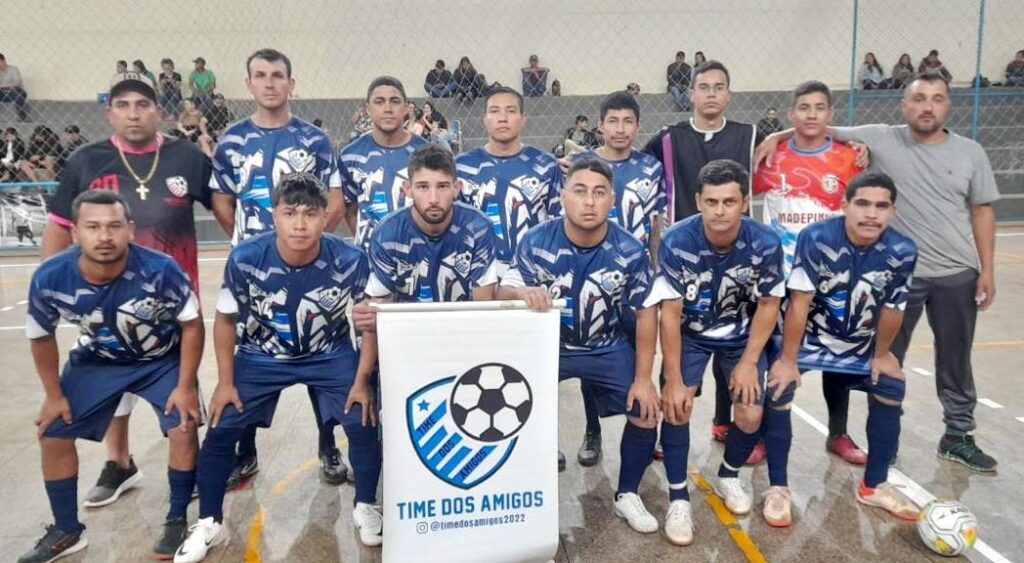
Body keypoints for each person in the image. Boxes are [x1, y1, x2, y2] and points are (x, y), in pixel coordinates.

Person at [757, 71, 1000, 472]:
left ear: (948, 105)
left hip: (951, 270)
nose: (927, 106)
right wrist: (774, 137)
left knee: (952, 359)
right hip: (874, 275)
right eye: (919, 99)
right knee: (880, 359)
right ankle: (886, 440)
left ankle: (957, 435)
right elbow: (814, 124)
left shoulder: (968, 152)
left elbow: (981, 210)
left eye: (937, 99)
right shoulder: (881, 136)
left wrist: (986, 268)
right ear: (904, 105)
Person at [175, 174, 383, 562]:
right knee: (222, 425)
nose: (300, 224)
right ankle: (209, 522)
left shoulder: (352, 259)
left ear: (327, 217)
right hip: (260, 354)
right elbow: (223, 320)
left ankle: (367, 505)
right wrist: (224, 382)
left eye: (310, 214)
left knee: (363, 418)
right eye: (290, 213)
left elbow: (367, 325)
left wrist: (360, 381)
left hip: (330, 352)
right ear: (274, 216)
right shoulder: (246, 257)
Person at [39, 75, 213, 521]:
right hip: (102, 301)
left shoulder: (187, 157)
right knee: (111, 387)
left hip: (171, 301)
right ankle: (119, 462)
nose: (134, 113)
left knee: (180, 396)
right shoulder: (87, 159)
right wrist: (50, 282)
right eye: (123, 105)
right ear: (109, 112)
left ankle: (186, 481)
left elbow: (224, 207)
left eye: (142, 104)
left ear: (159, 111)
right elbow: (60, 225)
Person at [20, 190, 204, 562]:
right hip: (98, 360)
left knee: (184, 424)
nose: (104, 236)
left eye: (114, 226)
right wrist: (54, 395)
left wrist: (186, 386)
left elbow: (192, 324)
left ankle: (176, 519)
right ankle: (67, 530)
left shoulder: (161, 269)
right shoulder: (52, 276)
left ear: (130, 230)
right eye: (93, 227)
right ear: (74, 233)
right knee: (52, 432)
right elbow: (41, 337)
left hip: (159, 358)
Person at [499, 157, 662, 538]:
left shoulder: (629, 249)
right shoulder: (536, 239)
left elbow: (646, 314)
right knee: (506, 410)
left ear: (613, 200)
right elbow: (503, 289)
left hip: (605, 346)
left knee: (645, 410)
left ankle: (627, 494)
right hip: (547, 347)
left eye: (599, 193)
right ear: (563, 197)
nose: (589, 202)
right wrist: (522, 291)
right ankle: (514, 496)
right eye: (580, 191)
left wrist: (644, 378)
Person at [209, 48, 349, 488]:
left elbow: (337, 200)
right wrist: (255, 245)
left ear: (291, 84)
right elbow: (221, 200)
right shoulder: (231, 141)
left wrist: (306, 241)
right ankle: (244, 450)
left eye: (278, 76)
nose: (269, 83)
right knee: (250, 352)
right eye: (260, 76)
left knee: (315, 344)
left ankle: (327, 446)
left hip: (310, 262)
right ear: (248, 84)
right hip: (254, 270)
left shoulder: (315, 140)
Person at [768, 171, 920, 523]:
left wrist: (882, 355)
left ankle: (874, 485)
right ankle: (777, 487)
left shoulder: (902, 250)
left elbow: (893, 308)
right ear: (844, 206)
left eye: (881, 206)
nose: (871, 214)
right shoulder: (816, 238)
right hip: (811, 339)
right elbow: (799, 302)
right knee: (778, 386)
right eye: (862, 204)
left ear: (893, 211)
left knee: (892, 384)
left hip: (860, 344)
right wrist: (789, 360)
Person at [650, 159, 784, 543]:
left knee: (750, 409)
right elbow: (669, 314)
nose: (720, 210)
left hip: (741, 337)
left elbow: (770, 304)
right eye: (711, 201)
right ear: (698, 202)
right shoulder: (676, 240)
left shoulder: (765, 242)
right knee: (676, 407)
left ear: (744, 202)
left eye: (729, 201)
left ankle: (728, 474)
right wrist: (674, 379)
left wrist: (748, 362)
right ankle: (678, 497)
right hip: (690, 333)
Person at [644, 62, 761, 458]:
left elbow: (799, 136)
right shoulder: (668, 138)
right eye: (703, 87)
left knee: (730, 334)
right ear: (690, 94)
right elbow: (629, 163)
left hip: (736, 254)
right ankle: (668, 424)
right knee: (677, 335)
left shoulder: (749, 135)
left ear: (729, 94)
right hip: (685, 254)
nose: (711, 94)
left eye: (719, 87)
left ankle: (725, 421)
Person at [753, 81, 866, 477]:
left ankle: (839, 432)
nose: (812, 114)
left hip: (835, 276)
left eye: (820, 107)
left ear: (831, 114)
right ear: (792, 115)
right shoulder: (771, 157)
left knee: (837, 358)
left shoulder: (850, 159)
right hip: (783, 278)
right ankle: (765, 434)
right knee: (778, 357)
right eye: (804, 107)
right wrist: (774, 139)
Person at [360, 144, 497, 308]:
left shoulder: (478, 228)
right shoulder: (386, 234)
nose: (433, 199)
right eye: (423, 187)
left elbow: (484, 306)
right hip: (407, 328)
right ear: (408, 189)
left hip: (464, 327)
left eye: (443, 186)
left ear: (457, 188)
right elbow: (380, 308)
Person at [457, 86, 563, 275]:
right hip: (477, 273)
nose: (503, 118)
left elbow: (559, 223)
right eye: (494, 111)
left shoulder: (546, 165)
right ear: (484, 120)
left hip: (532, 272)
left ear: (523, 120)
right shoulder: (461, 167)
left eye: (511, 111)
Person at [338, 76, 430, 250]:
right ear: (368, 109)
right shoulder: (350, 155)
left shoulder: (428, 153)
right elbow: (350, 209)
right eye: (379, 102)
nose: (387, 109)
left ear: (406, 108)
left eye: (395, 101)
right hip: (371, 261)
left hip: (419, 256)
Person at [0, 53, 31, 121]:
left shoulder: (13, 69)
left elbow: (17, 82)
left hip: (14, 91)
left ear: (4, 61)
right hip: (2, 93)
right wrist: (9, 85)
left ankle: (22, 114)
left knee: (19, 95)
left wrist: (3, 85)